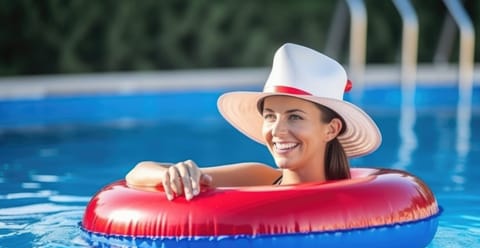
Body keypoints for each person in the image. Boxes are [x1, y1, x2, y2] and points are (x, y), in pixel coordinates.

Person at [125, 43, 382, 200]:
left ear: (332, 129)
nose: (278, 130)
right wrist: (175, 173)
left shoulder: (355, 197)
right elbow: (136, 173)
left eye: (294, 116)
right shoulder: (259, 176)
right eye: (270, 116)